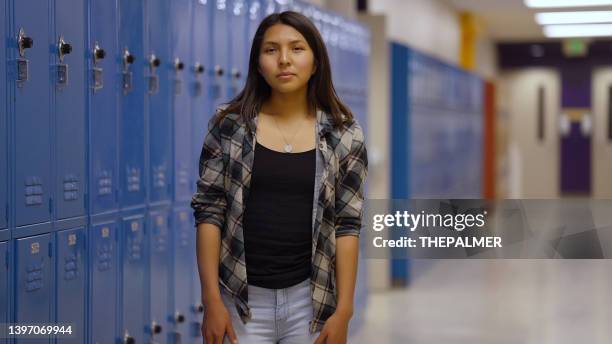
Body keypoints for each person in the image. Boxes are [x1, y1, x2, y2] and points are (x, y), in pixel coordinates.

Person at [191, 10, 368, 344]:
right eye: (271, 50)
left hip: (310, 300)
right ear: (258, 64)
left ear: (316, 62)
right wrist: (211, 301)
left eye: (297, 49)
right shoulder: (229, 126)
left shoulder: (344, 134)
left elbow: (348, 223)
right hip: (241, 300)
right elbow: (209, 211)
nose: (284, 59)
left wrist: (344, 310)